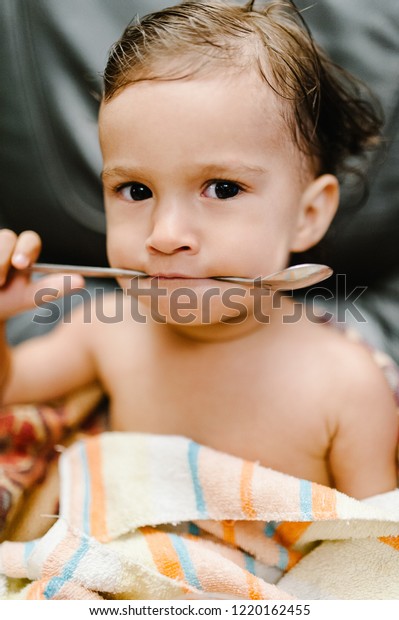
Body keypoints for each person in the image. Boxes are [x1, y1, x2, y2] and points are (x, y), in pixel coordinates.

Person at [0, 0, 397, 508]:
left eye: (224, 189)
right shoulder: (106, 329)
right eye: (136, 191)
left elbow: (375, 554)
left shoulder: (347, 387)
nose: (165, 236)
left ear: (308, 213)